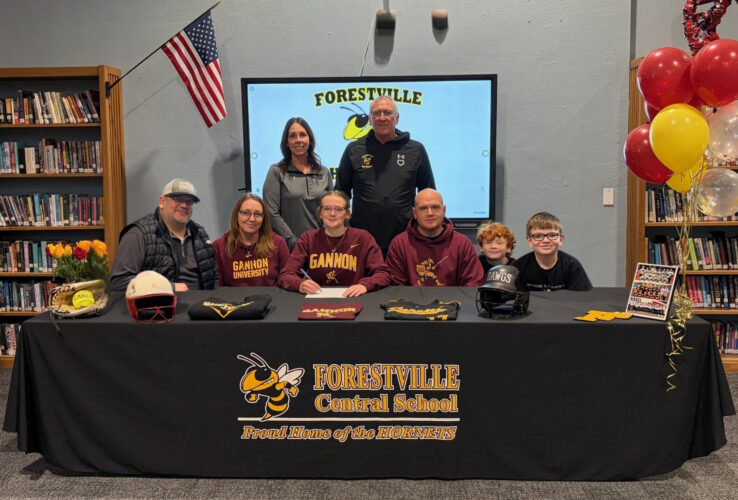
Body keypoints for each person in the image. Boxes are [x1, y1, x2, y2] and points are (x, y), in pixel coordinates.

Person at [336, 96, 435, 254]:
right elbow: (341, 193)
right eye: (376, 113)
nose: (382, 118)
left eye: (387, 113)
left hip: (406, 239)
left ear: (397, 118)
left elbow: (428, 193)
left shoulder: (416, 150)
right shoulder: (353, 150)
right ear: (370, 119)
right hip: (362, 239)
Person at [110, 178, 217, 291]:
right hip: (162, 302)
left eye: (189, 202)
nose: (184, 205)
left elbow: (213, 277)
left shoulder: (199, 232)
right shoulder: (138, 234)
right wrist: (170, 287)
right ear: (162, 202)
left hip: (201, 301)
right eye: (178, 199)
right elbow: (119, 282)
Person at [277, 191, 390, 297]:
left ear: (347, 214)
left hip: (352, 298)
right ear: (320, 213)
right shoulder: (308, 238)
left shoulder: (363, 238)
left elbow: (383, 273)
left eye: (338, 209)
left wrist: (365, 285)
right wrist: (300, 285)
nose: (332, 214)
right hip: (317, 300)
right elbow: (286, 275)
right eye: (327, 209)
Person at [385, 188, 484, 287]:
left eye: (435, 207)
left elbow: (473, 285)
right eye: (423, 208)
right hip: (410, 298)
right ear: (414, 213)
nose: (430, 213)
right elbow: (395, 288)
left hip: (453, 297)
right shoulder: (399, 244)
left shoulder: (462, 244)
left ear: (444, 210)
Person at [262, 117, 333, 251]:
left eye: (302, 135)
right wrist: (294, 243)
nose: (298, 140)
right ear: (286, 142)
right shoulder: (276, 172)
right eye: (292, 136)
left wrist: (325, 240)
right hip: (289, 250)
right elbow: (271, 213)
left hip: (322, 250)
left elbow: (332, 211)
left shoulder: (324, 172)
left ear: (310, 140)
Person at [212, 193, 290, 286]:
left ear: (264, 218)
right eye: (246, 213)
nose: (252, 219)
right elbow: (217, 288)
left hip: (269, 295)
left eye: (258, 214)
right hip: (232, 296)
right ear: (237, 215)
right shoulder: (219, 247)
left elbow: (288, 278)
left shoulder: (278, 243)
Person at [513, 212, 592, 291]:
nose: (546, 240)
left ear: (561, 239)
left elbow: (582, 297)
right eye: (538, 236)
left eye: (552, 235)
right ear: (529, 241)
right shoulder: (519, 267)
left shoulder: (572, 266)